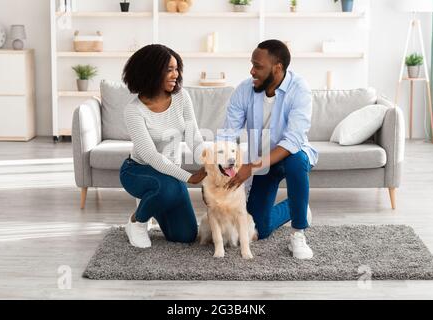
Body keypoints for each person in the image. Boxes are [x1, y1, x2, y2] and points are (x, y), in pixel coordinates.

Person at [218, 39, 318, 259]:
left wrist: (250, 168)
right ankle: (298, 207)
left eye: (258, 66)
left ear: (278, 67)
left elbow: (293, 141)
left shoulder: (299, 89)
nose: (252, 71)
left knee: (297, 160)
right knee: (258, 230)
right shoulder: (245, 90)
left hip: (289, 155)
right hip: (262, 160)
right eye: (252, 64)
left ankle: (298, 232)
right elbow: (227, 134)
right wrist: (220, 169)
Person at [120, 44, 206, 248]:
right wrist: (189, 177)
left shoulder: (181, 97)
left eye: (177, 69)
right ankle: (137, 222)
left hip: (169, 174)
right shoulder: (133, 111)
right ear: (150, 71)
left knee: (185, 235)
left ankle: (153, 202)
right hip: (138, 171)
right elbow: (150, 155)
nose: (175, 74)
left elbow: (194, 138)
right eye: (169, 69)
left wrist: (210, 163)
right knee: (170, 185)